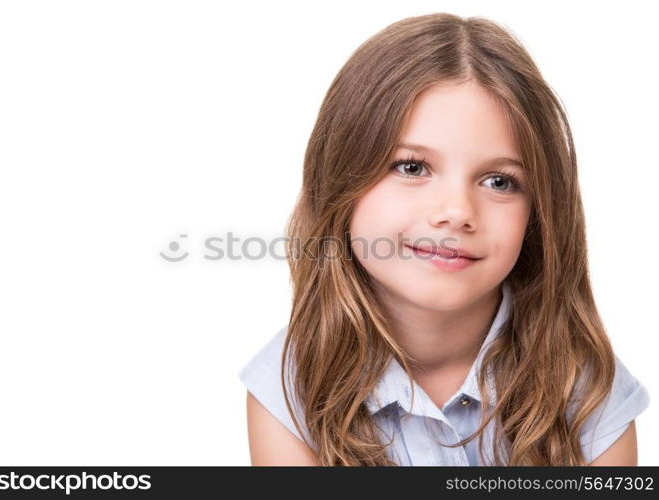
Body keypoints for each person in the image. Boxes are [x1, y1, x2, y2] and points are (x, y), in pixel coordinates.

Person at [238, 12, 650, 466]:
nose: (456, 212)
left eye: (498, 181)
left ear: (540, 214)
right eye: (412, 167)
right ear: (337, 180)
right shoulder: (288, 386)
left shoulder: (583, 382)